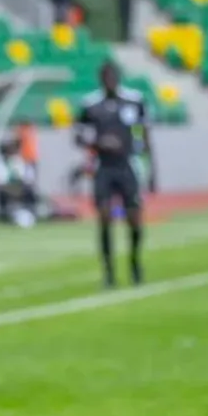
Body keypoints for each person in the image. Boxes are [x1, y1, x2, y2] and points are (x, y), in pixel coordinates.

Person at [75, 60, 154, 286]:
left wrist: (151, 167)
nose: (109, 80)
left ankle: (135, 262)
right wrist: (99, 143)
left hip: (128, 164)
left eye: (112, 76)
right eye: (105, 77)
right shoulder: (91, 105)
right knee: (104, 217)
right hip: (104, 167)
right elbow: (78, 135)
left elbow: (146, 133)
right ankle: (109, 272)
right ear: (101, 79)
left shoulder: (134, 100)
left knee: (135, 218)